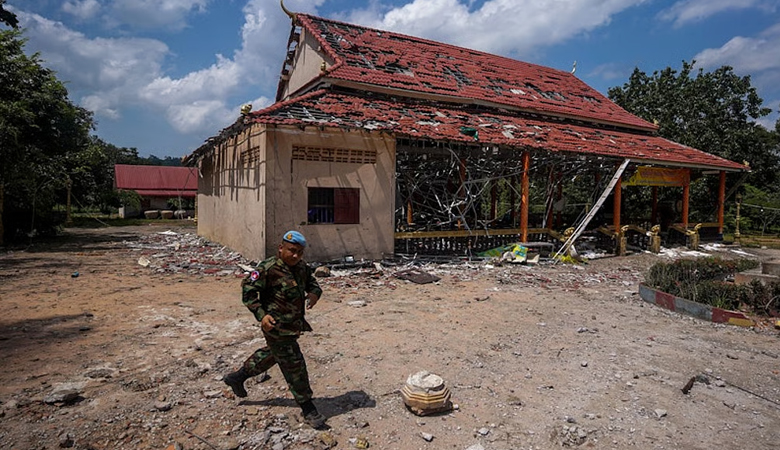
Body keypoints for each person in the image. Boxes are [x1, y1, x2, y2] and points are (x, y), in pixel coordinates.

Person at [223, 230, 326, 429]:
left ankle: (237, 378)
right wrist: (262, 316)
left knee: (273, 355)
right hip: (275, 327)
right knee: (294, 364)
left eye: (299, 252)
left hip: (292, 326)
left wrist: (314, 294)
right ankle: (308, 407)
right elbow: (249, 291)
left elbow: (313, 284)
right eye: (292, 251)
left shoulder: (301, 267)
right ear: (281, 248)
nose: (295, 256)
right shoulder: (267, 268)